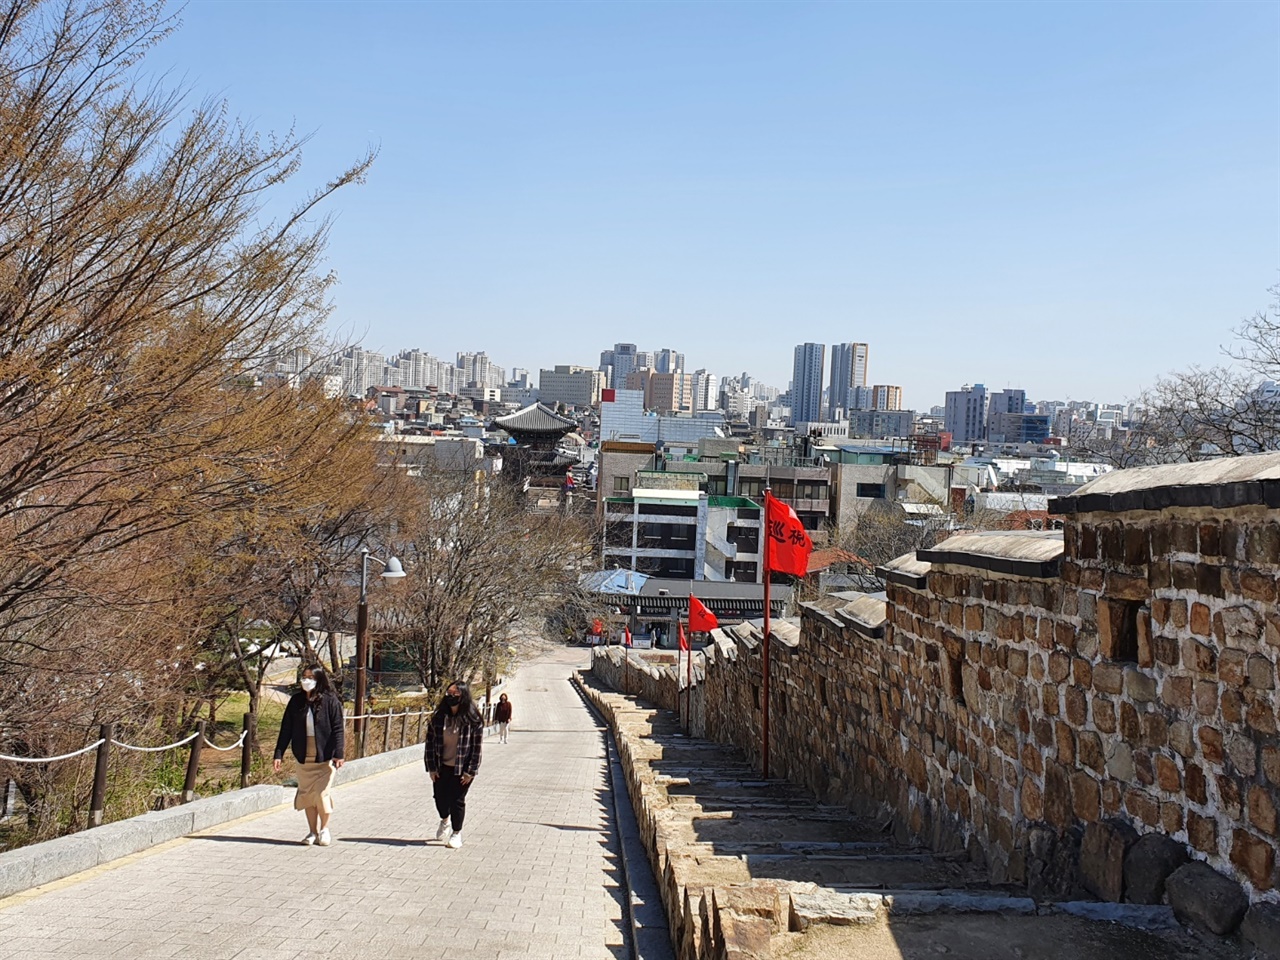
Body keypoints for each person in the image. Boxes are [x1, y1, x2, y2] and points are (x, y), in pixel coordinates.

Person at [273, 664, 345, 846]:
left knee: (321, 794)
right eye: (304, 677)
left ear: (319, 680)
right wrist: (278, 753)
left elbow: (338, 729)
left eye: (311, 677)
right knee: (307, 795)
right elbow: (286, 729)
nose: (306, 681)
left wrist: (339, 753)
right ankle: (312, 832)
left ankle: (324, 829)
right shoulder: (296, 701)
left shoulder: (330, 700)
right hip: (304, 757)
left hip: (325, 758)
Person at [424, 680, 483, 849]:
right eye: (448, 694)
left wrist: (470, 771)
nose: (450, 697)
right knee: (440, 799)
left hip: (462, 768)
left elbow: (476, 749)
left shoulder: (473, 721)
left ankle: (456, 833)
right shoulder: (439, 718)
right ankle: (445, 820)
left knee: (457, 800)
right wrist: (432, 768)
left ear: (463, 696)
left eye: (455, 695)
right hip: (442, 766)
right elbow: (430, 744)